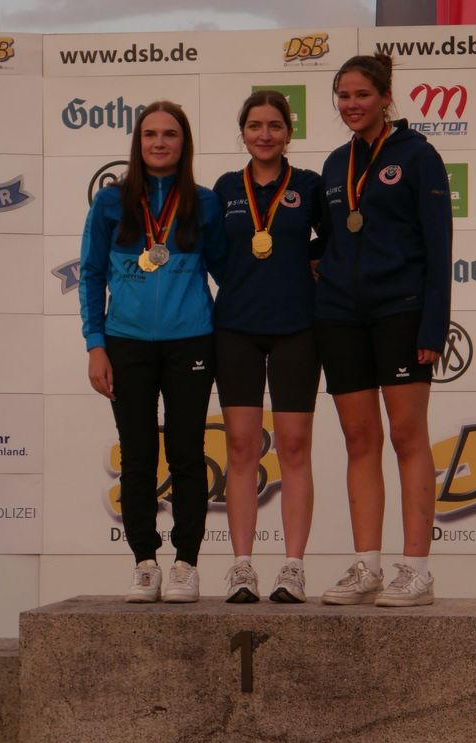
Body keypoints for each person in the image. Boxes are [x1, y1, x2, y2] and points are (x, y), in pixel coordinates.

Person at [315, 54, 452, 606]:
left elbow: (439, 246)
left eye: (362, 95)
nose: (352, 105)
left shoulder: (418, 155)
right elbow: (330, 237)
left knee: (406, 436)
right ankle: (367, 566)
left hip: (402, 311)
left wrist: (434, 326)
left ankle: (416, 569)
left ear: (386, 97)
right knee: (359, 440)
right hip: (340, 316)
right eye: (344, 96)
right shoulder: (334, 164)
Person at [79, 100, 226, 603]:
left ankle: (186, 563)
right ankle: (145, 562)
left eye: (170, 134)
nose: (159, 142)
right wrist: (96, 345)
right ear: (137, 143)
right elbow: (91, 275)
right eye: (150, 134)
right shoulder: (111, 202)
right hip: (126, 343)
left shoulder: (204, 203)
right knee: (138, 456)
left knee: (187, 453)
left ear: (184, 143)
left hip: (192, 341)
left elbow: (228, 271)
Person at [213, 90, 322, 603]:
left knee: (294, 446)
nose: (264, 134)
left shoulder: (309, 185)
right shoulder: (225, 188)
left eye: (274, 125)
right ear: (243, 132)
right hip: (235, 327)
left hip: (298, 327)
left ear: (288, 132)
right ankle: (242, 567)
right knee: (242, 447)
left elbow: (335, 241)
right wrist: (242, 281)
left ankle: (293, 567)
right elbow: (215, 252)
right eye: (255, 125)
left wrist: (309, 264)